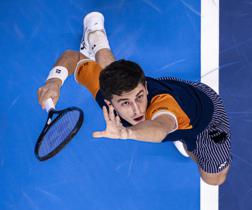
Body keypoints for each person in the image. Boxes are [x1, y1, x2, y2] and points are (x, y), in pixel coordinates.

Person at [37, 12, 232, 186]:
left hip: (204, 119)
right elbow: (72, 57)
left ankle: (187, 142)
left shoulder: (164, 106)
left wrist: (126, 133)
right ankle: (95, 36)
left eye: (139, 97)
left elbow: (160, 127)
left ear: (146, 88)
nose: (137, 110)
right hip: (176, 92)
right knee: (112, 73)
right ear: (109, 101)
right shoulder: (107, 89)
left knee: (214, 179)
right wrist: (54, 81)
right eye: (125, 103)